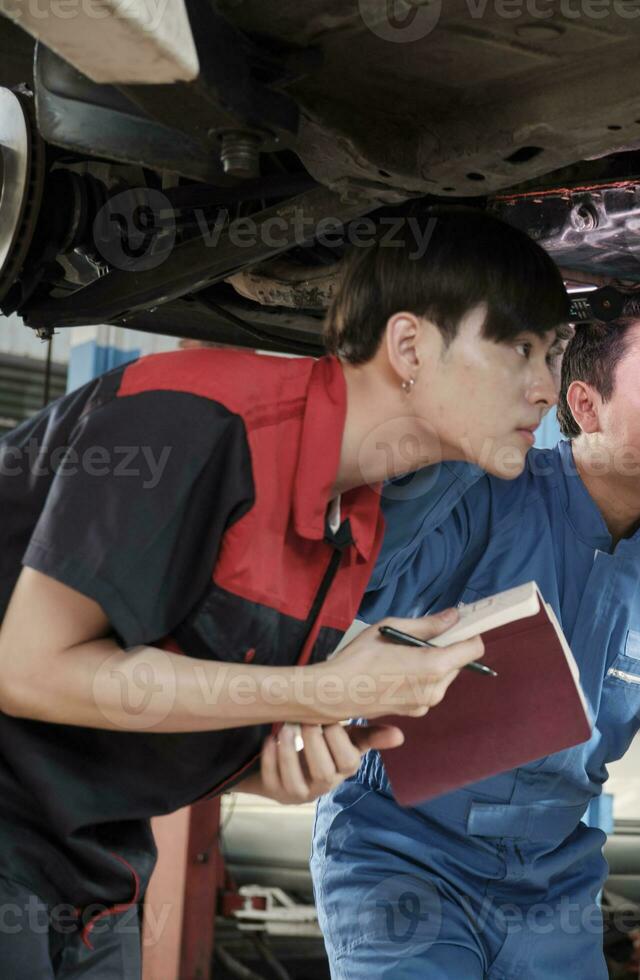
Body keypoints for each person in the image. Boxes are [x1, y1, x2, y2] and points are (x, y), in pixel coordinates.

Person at [0, 209, 568, 978]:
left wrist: (270, 767)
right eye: (521, 349)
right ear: (409, 347)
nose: (546, 388)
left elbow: (171, 686)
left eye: (555, 355)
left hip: (94, 860)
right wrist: (320, 686)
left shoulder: (354, 519)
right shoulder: (192, 424)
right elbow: (28, 672)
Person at [310, 290, 640, 979]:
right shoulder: (482, 490)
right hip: (402, 850)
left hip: (552, 885)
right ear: (586, 405)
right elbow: (369, 580)